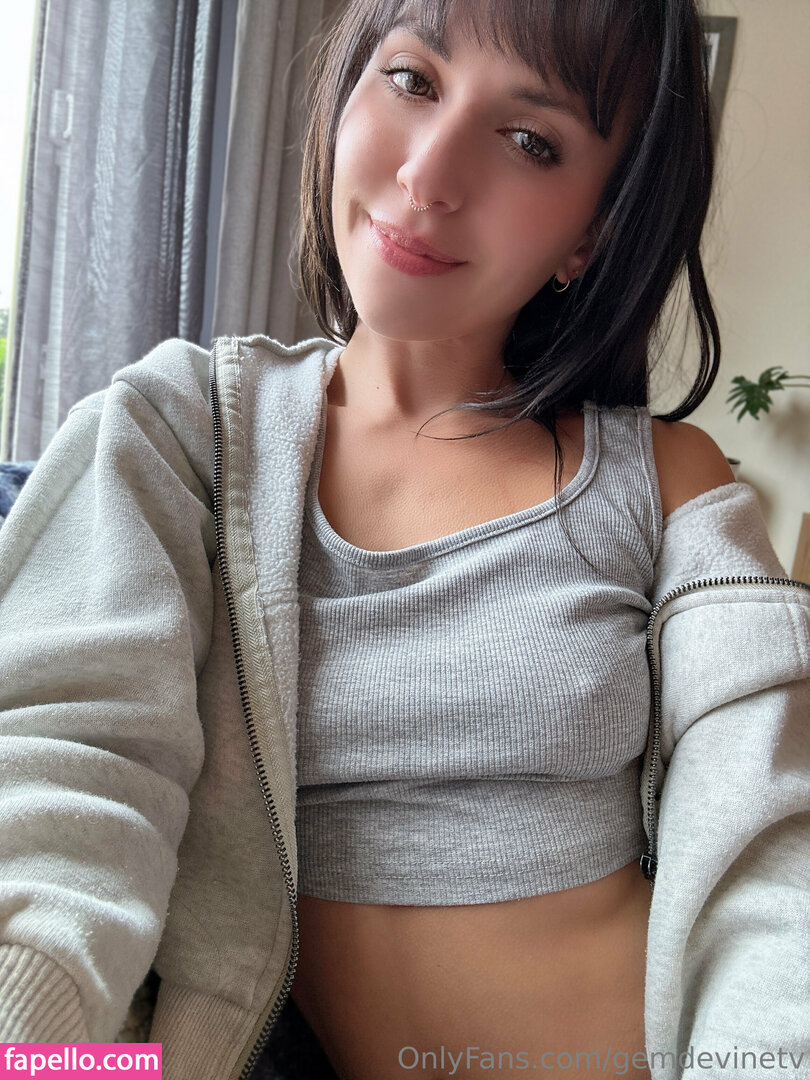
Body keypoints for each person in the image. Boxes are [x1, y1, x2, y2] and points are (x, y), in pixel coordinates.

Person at [0, 0, 808, 1079]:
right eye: (413, 79)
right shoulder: (179, 435)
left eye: (530, 140)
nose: (428, 174)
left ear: (592, 234)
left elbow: (772, 859)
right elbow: (71, 782)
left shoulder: (666, 484)